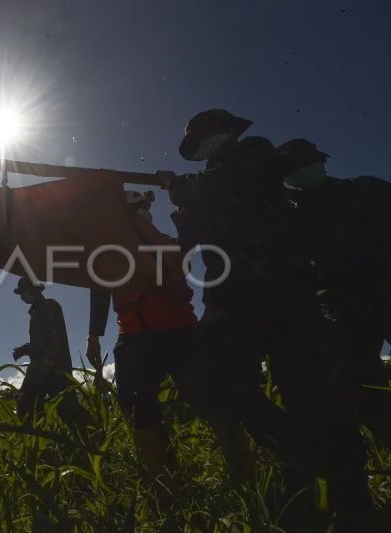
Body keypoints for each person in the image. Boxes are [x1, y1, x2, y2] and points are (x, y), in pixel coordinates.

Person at [159, 110, 374, 526]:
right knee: (214, 382)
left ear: (228, 133)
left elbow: (227, 185)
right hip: (231, 298)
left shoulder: (253, 155)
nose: (206, 146)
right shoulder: (205, 183)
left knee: (316, 396)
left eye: (209, 136)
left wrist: (180, 186)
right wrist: (182, 202)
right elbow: (192, 237)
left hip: (284, 292)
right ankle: (301, 459)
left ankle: (349, 504)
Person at [274, 139, 391, 442]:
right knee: (362, 376)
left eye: (306, 162)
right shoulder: (291, 215)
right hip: (344, 304)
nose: (301, 170)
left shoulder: (368, 188)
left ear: (321, 162)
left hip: (383, 288)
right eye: (291, 168)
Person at [86, 190, 199, 485]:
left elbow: (100, 287)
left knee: (139, 404)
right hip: (171, 331)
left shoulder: (114, 244)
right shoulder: (161, 242)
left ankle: (162, 480)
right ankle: (166, 478)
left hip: (149, 333)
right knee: (206, 398)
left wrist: (94, 336)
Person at [12, 277, 85, 427]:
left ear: (33, 290)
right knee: (26, 406)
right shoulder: (36, 313)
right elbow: (40, 342)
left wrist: (46, 364)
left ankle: (94, 437)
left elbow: (56, 338)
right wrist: (25, 349)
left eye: (23, 292)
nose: (21, 297)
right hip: (40, 368)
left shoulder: (50, 306)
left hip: (55, 369)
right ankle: (36, 437)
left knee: (69, 410)